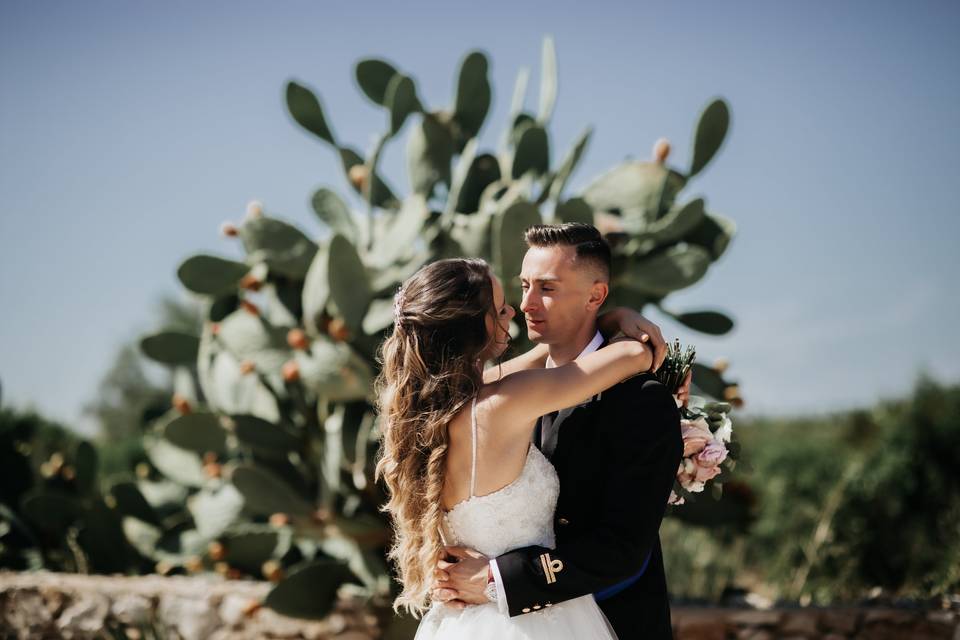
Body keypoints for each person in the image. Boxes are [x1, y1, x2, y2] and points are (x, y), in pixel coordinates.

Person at [428, 224, 685, 640]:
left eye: (547, 288)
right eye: (525, 285)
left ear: (595, 295)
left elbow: (622, 548)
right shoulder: (493, 393)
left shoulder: (640, 399)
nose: (526, 303)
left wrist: (497, 578)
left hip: (611, 623)